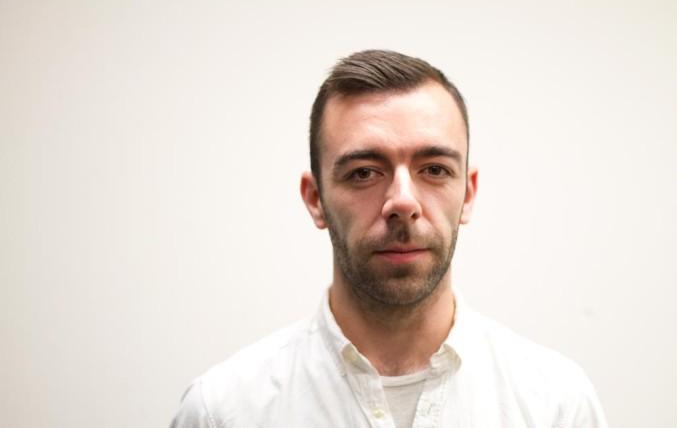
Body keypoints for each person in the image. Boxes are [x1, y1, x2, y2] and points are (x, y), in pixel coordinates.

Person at [170, 50, 608, 428]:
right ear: (315, 199)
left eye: (434, 169)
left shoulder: (556, 405)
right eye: (364, 172)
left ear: (468, 194)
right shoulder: (223, 411)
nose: (402, 201)